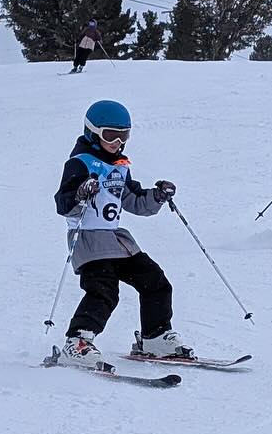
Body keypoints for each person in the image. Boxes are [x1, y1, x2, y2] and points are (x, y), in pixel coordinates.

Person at [54, 99, 186, 366]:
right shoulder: (80, 163)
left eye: (123, 136)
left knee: (155, 280)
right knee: (104, 291)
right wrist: (80, 193)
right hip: (89, 241)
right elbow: (63, 203)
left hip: (117, 241)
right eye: (110, 136)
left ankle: (154, 336)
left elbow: (134, 200)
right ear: (92, 133)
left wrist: (157, 196)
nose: (118, 143)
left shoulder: (120, 166)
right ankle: (77, 341)